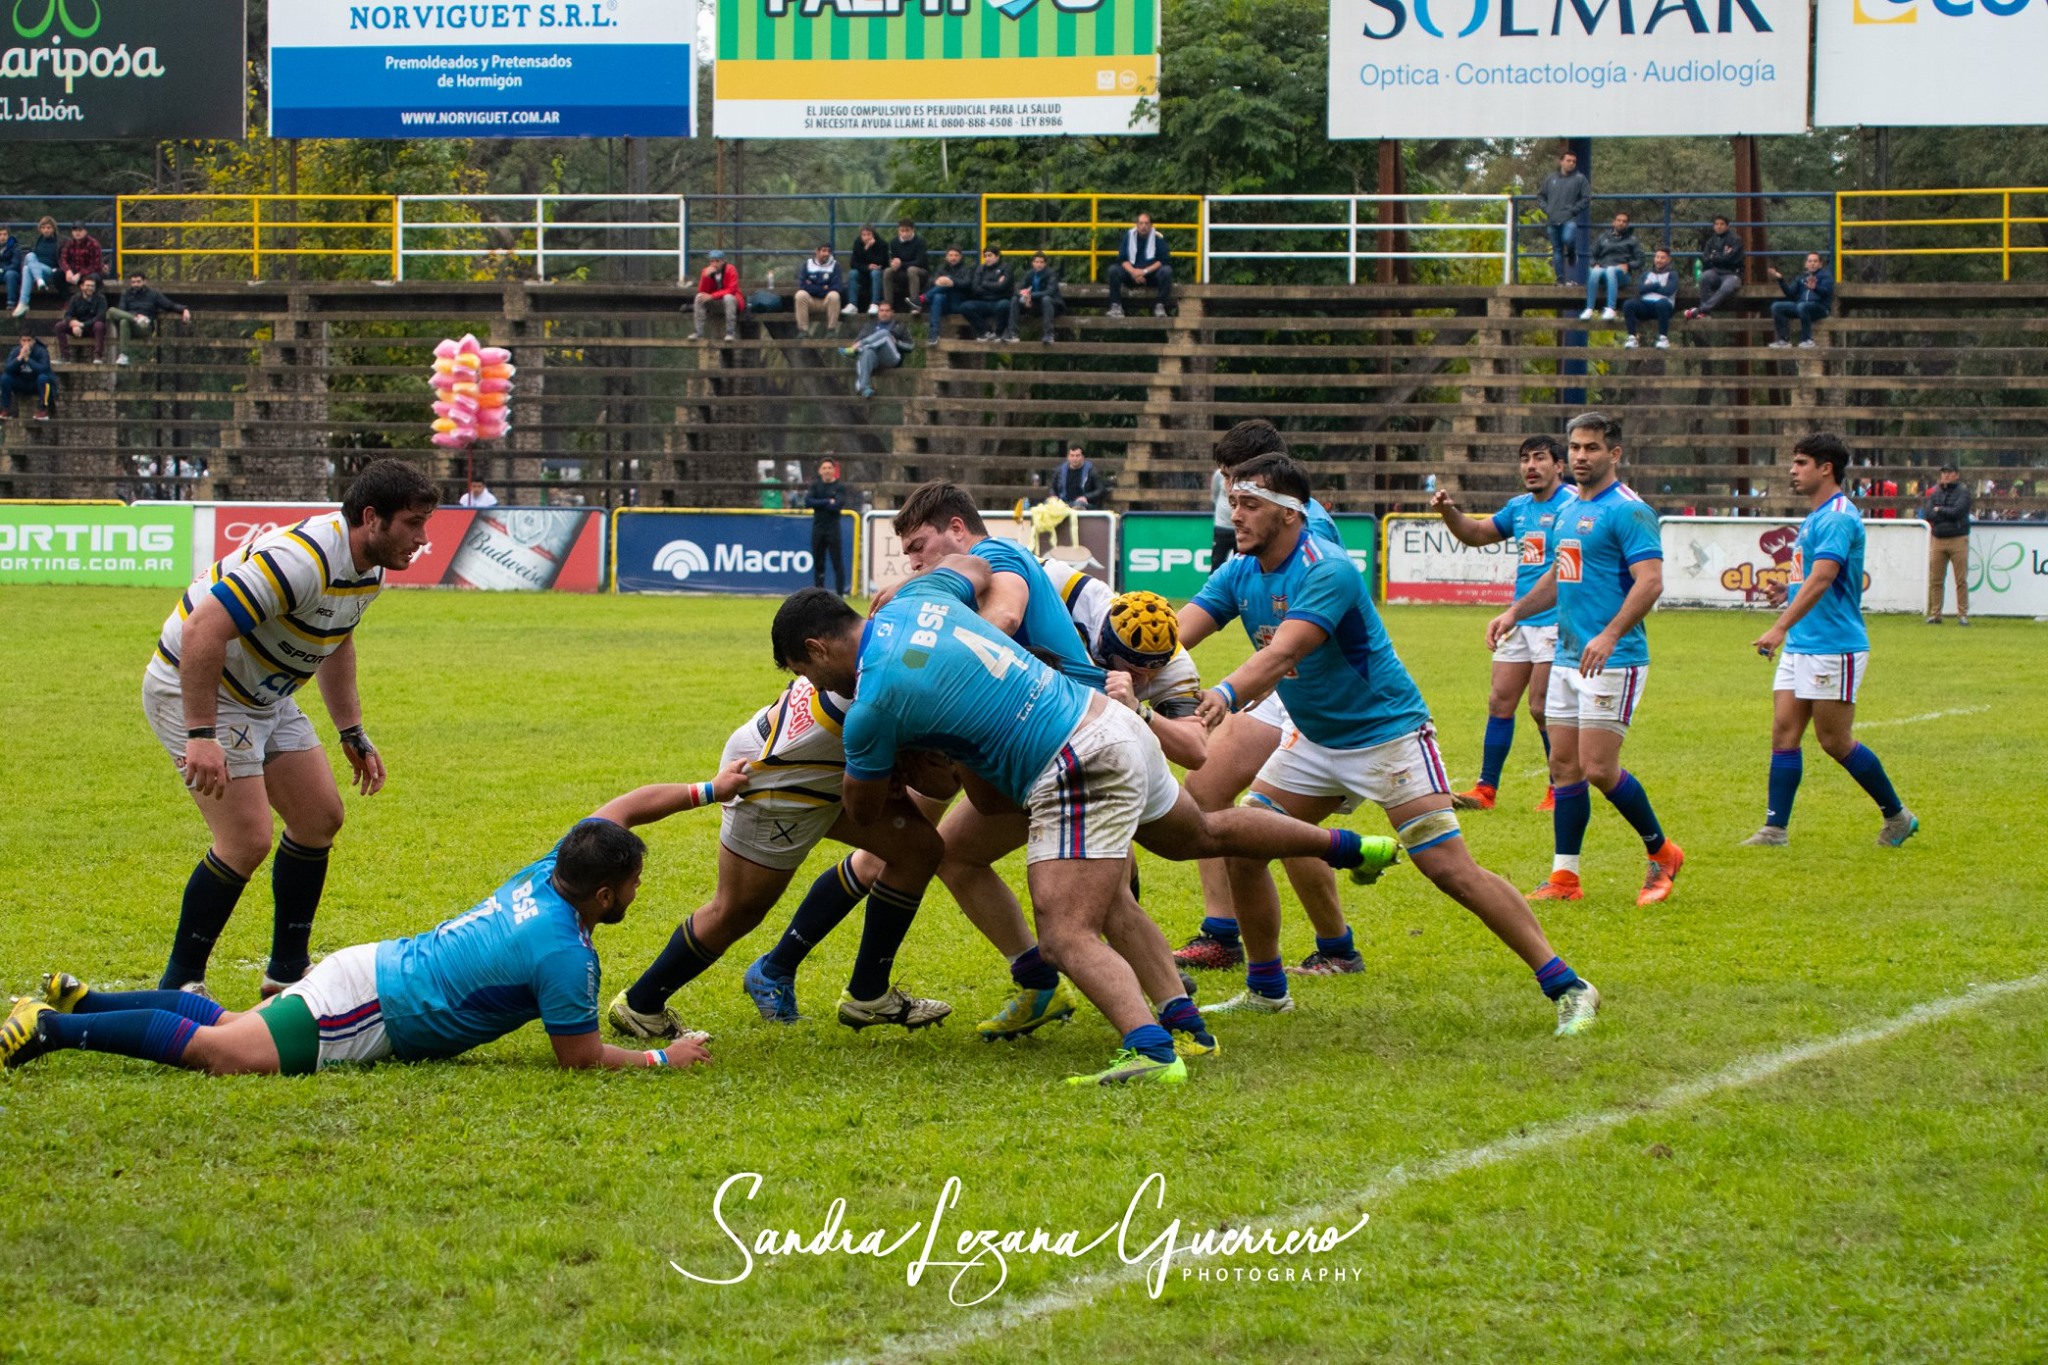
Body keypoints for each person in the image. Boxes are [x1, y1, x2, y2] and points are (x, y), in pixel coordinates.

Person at [773, 572, 1389, 1084]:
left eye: (804, 670)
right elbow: (975, 568)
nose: (813, 685)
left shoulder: (875, 699)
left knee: (1066, 932)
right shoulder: (920, 599)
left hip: (1074, 762)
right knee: (1193, 839)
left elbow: (861, 807)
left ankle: (1149, 1051)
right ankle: (1346, 850)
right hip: (1110, 723)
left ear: (818, 648)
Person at [1180, 453, 1601, 1036]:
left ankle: (1568, 985)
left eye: (1251, 503)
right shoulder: (1239, 571)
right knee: (1244, 844)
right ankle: (1267, 989)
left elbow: (1282, 653)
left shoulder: (1327, 568)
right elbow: (1178, 634)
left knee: (1450, 870)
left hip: (1388, 736)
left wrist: (1224, 693)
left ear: (1289, 514)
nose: (1237, 514)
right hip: (1315, 740)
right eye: (1234, 501)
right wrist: (1128, 656)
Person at [1, 815, 721, 1076]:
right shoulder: (565, 953)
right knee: (221, 1054)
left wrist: (703, 789)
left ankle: (88, 998)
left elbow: (616, 812)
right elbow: (579, 1057)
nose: (636, 892)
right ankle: (55, 1029)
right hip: (367, 1010)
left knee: (228, 1025)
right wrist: (662, 1055)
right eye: (633, 883)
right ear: (602, 894)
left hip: (369, 970)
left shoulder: (548, 871)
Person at [142, 459, 439, 996]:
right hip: (201, 687)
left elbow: (336, 637)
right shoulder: (300, 560)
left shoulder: (369, 568)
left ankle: (285, 974)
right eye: (413, 523)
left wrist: (351, 730)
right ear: (372, 518)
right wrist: (201, 734)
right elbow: (202, 629)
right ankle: (179, 983)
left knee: (318, 817)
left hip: (266, 696)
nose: (422, 538)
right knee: (246, 838)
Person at [605, 675, 954, 1041]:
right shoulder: (871, 684)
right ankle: (641, 1005)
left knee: (917, 848)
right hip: (773, 780)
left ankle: (868, 993)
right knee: (737, 909)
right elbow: (941, 782)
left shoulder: (879, 656)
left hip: (812, 765)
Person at [1172, 420, 1364, 978]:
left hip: (1305, 680)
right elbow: (1201, 615)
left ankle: (1230, 934)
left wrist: (1235, 689)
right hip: (1284, 676)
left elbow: (1298, 632)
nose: (1232, 503)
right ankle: (1327, 944)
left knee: (1247, 806)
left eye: (1236, 486)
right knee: (1257, 806)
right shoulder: (1271, 530)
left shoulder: (1308, 535)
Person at [1487, 414, 1685, 907]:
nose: (1579, 456)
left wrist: (1611, 635)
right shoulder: (1571, 509)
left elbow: (1651, 582)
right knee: (1564, 766)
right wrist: (1515, 612)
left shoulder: (1629, 511)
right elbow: (1560, 574)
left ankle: (1663, 852)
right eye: (1575, 447)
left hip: (1614, 659)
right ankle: (1564, 878)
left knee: (1598, 768)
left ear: (1614, 454)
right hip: (1568, 656)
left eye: (1591, 448)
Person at [1742, 434, 1920, 850]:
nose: (1792, 470)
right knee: (1783, 733)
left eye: (1801, 462)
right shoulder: (1817, 516)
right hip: (1805, 643)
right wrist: (1786, 593)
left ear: (1826, 468)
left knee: (1835, 741)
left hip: (1834, 645)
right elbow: (1814, 578)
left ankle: (1897, 816)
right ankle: (1774, 830)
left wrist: (1779, 626)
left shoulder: (1839, 516)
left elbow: (1824, 577)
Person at [1430, 435, 1575, 813]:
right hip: (1521, 619)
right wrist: (1449, 512)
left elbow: (1569, 569)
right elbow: (1477, 534)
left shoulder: (1574, 506)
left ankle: (1560, 788)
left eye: (1540, 458)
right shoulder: (1520, 508)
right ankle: (1486, 790)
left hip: (1558, 619)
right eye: (1525, 459)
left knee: (1542, 706)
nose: (1531, 466)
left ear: (1559, 465)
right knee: (1499, 702)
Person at [1921, 461, 1973, 624]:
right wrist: (1943, 512)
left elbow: (1958, 512)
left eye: (1950, 472)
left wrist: (1940, 510)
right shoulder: (1935, 493)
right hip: (1938, 538)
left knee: (1960, 579)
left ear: (1956, 475)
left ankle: (1962, 614)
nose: (1946, 475)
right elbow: (1929, 513)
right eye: (1944, 472)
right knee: (1935, 579)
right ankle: (1936, 614)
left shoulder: (1963, 492)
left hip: (1958, 538)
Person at [108, 270, 192, 366]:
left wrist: (184, 309)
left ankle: (124, 355)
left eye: (138, 282)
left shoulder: (153, 294)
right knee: (113, 312)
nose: (136, 284)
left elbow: (170, 305)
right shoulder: (126, 294)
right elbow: (121, 311)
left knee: (124, 321)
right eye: (133, 282)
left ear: (144, 282)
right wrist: (135, 316)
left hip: (144, 327)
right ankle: (135, 320)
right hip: (128, 325)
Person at [1107, 212, 1173, 319]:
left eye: (1146, 223)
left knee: (1167, 271)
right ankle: (1116, 306)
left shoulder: (1157, 238)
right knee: (1113, 270)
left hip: (1150, 276)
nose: (1144, 226)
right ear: (1137, 225)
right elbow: (1122, 259)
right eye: (1141, 223)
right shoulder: (1128, 237)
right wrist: (1133, 272)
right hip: (1131, 275)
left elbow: (1163, 260)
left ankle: (1160, 306)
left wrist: (1144, 272)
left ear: (1151, 225)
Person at [841, 299, 910, 400]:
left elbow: (910, 346)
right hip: (875, 359)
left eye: (887, 311)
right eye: (881, 310)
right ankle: (864, 388)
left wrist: (897, 343)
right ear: (878, 312)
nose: (884, 313)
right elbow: (858, 339)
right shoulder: (870, 326)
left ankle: (854, 350)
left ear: (892, 313)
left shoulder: (899, 326)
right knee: (867, 352)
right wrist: (858, 343)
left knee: (884, 333)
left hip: (892, 357)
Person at [1579, 212, 1642, 321]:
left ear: (1627, 225)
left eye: (1624, 221)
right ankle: (1589, 309)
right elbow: (1592, 254)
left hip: (1621, 274)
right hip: (1603, 271)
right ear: (1614, 222)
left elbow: (1640, 260)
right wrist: (1595, 264)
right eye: (1619, 220)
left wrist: (1628, 265)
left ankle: (1611, 309)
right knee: (1594, 271)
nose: (1621, 223)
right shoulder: (1603, 237)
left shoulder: (1632, 240)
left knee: (1611, 270)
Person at [1538, 150, 1589, 283]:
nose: (1571, 164)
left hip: (1569, 218)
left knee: (1568, 238)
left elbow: (1586, 198)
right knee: (1557, 250)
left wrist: (1574, 210)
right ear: (1561, 161)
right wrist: (1546, 208)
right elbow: (1541, 196)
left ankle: (1572, 252)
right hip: (1552, 219)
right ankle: (1560, 278)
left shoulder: (1580, 178)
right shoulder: (1551, 178)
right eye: (1568, 161)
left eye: (1574, 161)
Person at [1767, 253, 1832, 349]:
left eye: (1815, 261)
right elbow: (1790, 294)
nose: (1812, 263)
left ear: (1820, 264)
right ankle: (1784, 340)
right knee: (1776, 306)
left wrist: (1815, 288)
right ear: (1806, 264)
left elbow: (1827, 292)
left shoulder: (1825, 276)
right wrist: (1780, 279)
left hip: (1820, 307)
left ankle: (1807, 340)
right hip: (1801, 307)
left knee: (1802, 306)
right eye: (1810, 261)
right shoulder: (1801, 278)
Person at [805, 458, 850, 593]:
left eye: (829, 468)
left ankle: (840, 594)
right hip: (818, 529)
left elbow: (837, 505)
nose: (827, 471)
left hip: (833, 529)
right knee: (819, 563)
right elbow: (808, 502)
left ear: (834, 470)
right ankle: (819, 594)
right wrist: (827, 501)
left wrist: (820, 503)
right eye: (824, 468)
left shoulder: (839, 487)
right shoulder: (815, 486)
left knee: (837, 562)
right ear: (820, 471)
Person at [1686, 216, 1744, 320]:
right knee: (1704, 277)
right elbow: (1706, 260)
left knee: (1726, 288)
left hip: (1732, 274)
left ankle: (1702, 310)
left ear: (1727, 226)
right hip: (1715, 272)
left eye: (1722, 224)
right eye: (1716, 224)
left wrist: (1715, 256)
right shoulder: (1711, 241)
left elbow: (1732, 259)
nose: (1719, 226)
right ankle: (1704, 314)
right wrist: (1721, 257)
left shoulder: (1736, 240)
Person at [1621, 247, 1678, 349]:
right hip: (1645, 305)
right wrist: (1657, 285)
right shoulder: (1647, 274)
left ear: (1668, 260)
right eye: (1657, 257)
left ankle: (1663, 338)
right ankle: (1632, 338)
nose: (1659, 260)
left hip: (1663, 306)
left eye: (1662, 258)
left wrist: (1649, 287)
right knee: (1628, 304)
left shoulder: (1672, 275)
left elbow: (1668, 291)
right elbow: (1640, 289)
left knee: (1663, 304)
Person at [957, 247, 1014, 343]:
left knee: (1004, 305)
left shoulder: (1006, 268)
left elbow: (1003, 287)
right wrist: (995, 284)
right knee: (965, 306)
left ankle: (999, 333)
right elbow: (975, 288)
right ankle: (985, 331)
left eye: (990, 255)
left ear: (997, 256)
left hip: (999, 301)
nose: (987, 258)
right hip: (983, 301)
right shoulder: (980, 268)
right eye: (985, 256)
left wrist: (985, 283)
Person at [1008, 250, 1064, 344]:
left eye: (1041, 262)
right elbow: (1019, 289)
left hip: (1052, 305)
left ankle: (1049, 334)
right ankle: (1012, 333)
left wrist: (1031, 295)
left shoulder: (1051, 274)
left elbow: (1050, 291)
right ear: (1033, 263)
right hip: (1034, 305)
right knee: (1015, 300)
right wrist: (1023, 295)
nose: (1039, 264)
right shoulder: (1029, 274)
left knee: (1046, 299)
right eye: (1037, 262)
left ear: (1045, 263)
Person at [688, 249, 743, 342]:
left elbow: (732, 289)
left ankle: (730, 332)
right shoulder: (706, 271)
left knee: (728, 297)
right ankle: (698, 332)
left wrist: (712, 296)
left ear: (723, 261)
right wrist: (705, 277)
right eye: (712, 261)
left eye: (717, 261)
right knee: (699, 298)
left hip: (730, 302)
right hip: (715, 302)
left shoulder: (730, 269)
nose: (714, 264)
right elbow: (702, 291)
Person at [11, 217, 61, 317]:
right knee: (27, 266)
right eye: (43, 228)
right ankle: (24, 302)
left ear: (53, 229)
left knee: (29, 261)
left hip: (50, 271)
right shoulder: (37, 241)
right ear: (40, 229)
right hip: (36, 270)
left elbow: (62, 259)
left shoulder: (59, 242)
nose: (46, 230)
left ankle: (24, 302)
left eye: (48, 227)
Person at [0, 331, 55, 421]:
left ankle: (43, 409)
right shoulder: (16, 351)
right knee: (5, 378)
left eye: (29, 340)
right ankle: (5, 409)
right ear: (20, 341)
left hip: (36, 384)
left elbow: (44, 369)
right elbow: (8, 369)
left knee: (44, 378)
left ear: (33, 341)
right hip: (21, 383)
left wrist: (28, 359)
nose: (26, 343)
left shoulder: (41, 351)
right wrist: (19, 358)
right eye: (23, 340)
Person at [793, 243, 845, 336]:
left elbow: (837, 287)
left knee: (834, 295)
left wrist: (813, 286)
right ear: (817, 251)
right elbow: (803, 285)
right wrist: (824, 288)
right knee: (800, 295)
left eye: (829, 251)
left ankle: (831, 330)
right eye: (824, 251)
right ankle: (803, 331)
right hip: (810, 301)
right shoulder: (807, 265)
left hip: (827, 302)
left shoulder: (835, 265)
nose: (826, 254)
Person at [57, 276, 109, 363]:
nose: (90, 288)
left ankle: (97, 356)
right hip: (77, 328)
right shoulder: (75, 298)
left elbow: (101, 316)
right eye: (88, 285)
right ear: (82, 286)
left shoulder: (101, 299)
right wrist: (73, 323)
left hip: (92, 328)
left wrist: (83, 325)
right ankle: (64, 356)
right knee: (59, 326)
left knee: (99, 325)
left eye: (92, 286)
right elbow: (68, 314)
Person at [883, 218, 929, 313]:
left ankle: (915, 304)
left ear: (912, 230)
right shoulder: (894, 242)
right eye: (902, 231)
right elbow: (894, 258)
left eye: (907, 230)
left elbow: (920, 262)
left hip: (920, 271)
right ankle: (888, 305)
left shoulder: (920, 242)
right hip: (901, 270)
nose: (904, 233)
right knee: (887, 271)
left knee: (911, 270)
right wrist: (893, 264)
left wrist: (902, 264)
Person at [923, 247, 968, 342]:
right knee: (938, 296)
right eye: (951, 255)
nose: (953, 258)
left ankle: (923, 298)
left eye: (956, 255)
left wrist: (952, 282)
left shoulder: (966, 269)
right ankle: (934, 334)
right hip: (943, 303)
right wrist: (937, 281)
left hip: (957, 303)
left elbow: (967, 284)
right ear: (946, 257)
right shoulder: (941, 268)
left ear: (961, 257)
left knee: (948, 279)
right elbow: (931, 281)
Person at [848, 224, 890, 314]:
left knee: (875, 273)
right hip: (863, 272)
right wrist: (867, 266)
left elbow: (883, 262)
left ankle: (874, 303)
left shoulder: (882, 244)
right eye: (864, 235)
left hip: (877, 273)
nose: (866, 237)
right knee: (853, 273)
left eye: (868, 234)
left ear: (873, 234)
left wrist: (871, 250)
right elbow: (853, 263)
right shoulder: (858, 243)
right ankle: (852, 304)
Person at [1050, 440, 1104, 508]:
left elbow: (1100, 490)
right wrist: (1054, 497)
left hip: (1084, 504)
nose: (1075, 459)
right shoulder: (1060, 471)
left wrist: (1086, 497)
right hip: (1063, 503)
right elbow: (1052, 488)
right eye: (1072, 456)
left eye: (1077, 456)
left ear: (1083, 457)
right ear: (1068, 457)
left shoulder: (1091, 471)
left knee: (1078, 506)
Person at [59, 222, 104, 294]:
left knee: (92, 278)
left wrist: (80, 274)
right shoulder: (69, 243)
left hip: (90, 273)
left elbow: (95, 265)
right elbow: (63, 259)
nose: (77, 233)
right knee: (57, 275)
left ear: (85, 231)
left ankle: (93, 300)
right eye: (75, 231)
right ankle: (67, 299)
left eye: (80, 230)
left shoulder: (93, 244)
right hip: (73, 272)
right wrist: (67, 270)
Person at [1210, 453, 1235, 576]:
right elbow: (1214, 495)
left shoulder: (1247, 476)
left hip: (1240, 529)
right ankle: (1214, 595)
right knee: (1216, 563)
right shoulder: (1219, 475)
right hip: (1221, 527)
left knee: (1240, 566)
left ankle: (1239, 595)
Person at [0, 227, 20, 320]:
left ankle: (11, 302)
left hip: (11, 272)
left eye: (4, 234)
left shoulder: (15, 248)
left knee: (10, 274)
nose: (2, 237)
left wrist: (3, 270)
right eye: (0, 234)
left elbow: (15, 264)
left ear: (8, 236)